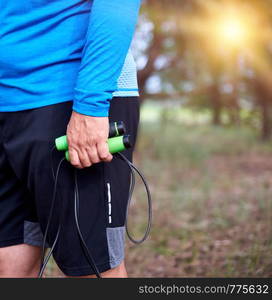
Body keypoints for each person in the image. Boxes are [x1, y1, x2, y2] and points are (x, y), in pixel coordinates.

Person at [0, 0, 142, 278]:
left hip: (71, 95)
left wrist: (90, 105)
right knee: (8, 264)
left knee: (92, 271)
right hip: (7, 104)